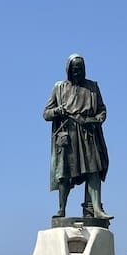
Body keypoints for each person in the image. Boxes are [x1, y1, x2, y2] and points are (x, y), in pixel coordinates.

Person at [44, 54, 110, 220]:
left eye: (80, 69)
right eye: (74, 69)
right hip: (69, 135)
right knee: (64, 174)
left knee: (94, 170)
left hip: (89, 133)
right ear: (68, 70)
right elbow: (46, 113)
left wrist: (99, 118)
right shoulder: (59, 87)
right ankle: (62, 209)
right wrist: (57, 111)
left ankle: (95, 208)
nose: (77, 72)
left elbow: (102, 109)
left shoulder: (93, 87)